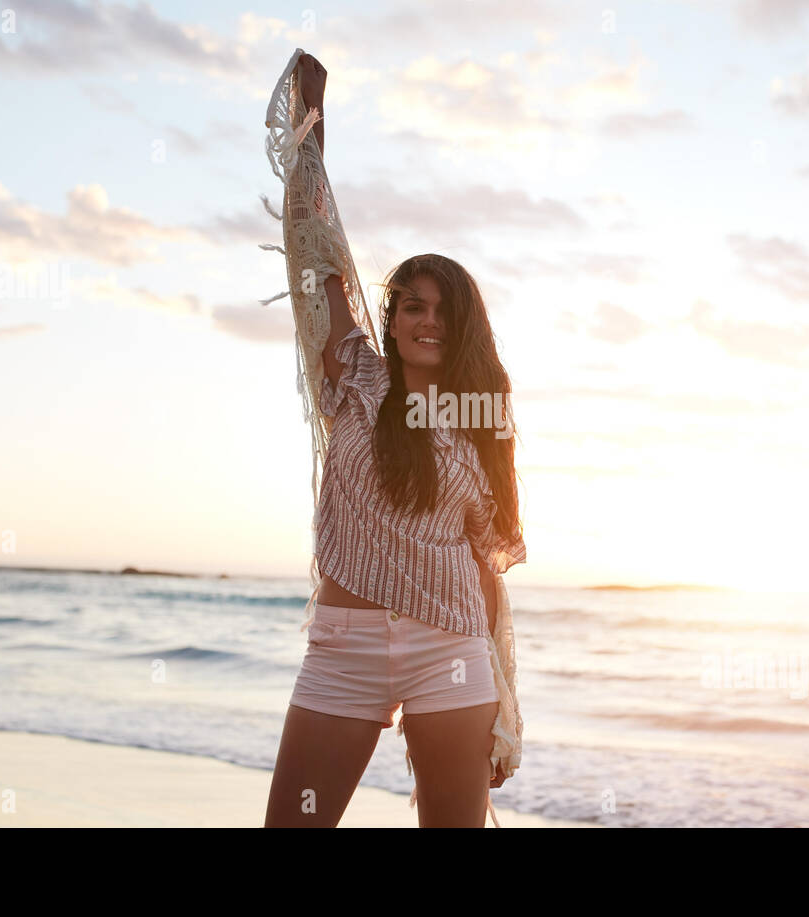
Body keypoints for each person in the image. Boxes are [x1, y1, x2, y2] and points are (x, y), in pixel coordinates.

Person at [263, 53, 527, 828]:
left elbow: (487, 556)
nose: (425, 322)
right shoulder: (356, 374)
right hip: (342, 645)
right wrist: (312, 137)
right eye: (411, 306)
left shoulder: (483, 421)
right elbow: (316, 254)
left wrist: (501, 689)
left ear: (463, 325)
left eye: (442, 312)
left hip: (450, 646)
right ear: (394, 316)